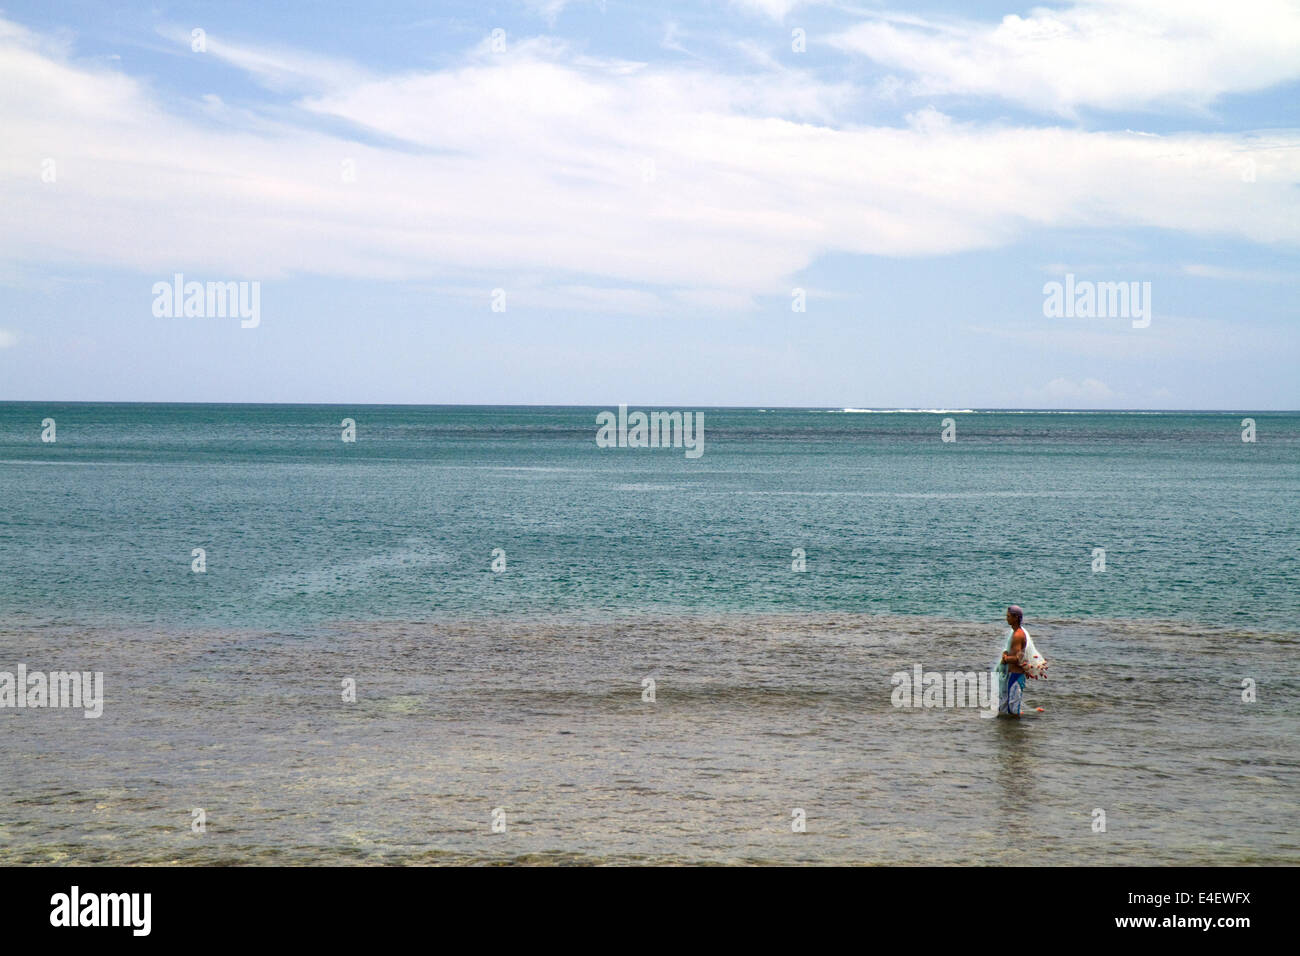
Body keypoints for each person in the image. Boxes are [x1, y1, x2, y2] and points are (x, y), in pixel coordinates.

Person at [997, 605, 1028, 717]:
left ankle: (1015, 733)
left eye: (1009, 616)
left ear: (1016, 618)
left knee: (1013, 710)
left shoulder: (1018, 635)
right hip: (1011, 675)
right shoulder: (1015, 633)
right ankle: (1008, 732)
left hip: (1016, 676)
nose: (1007, 618)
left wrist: (1005, 659)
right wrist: (1006, 654)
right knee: (1005, 708)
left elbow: (1018, 658)